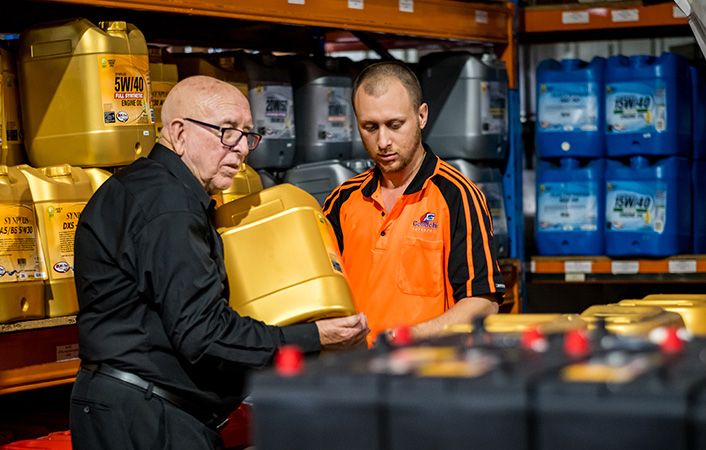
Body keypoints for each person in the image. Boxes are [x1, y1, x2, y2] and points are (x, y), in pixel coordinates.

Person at [70, 75, 369, 450]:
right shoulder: (170, 207)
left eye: (247, 134)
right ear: (178, 133)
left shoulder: (146, 188)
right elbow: (203, 333)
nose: (242, 148)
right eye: (227, 132)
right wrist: (316, 338)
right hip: (149, 419)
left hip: (134, 409)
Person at [322, 61, 504, 345]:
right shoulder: (342, 201)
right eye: (370, 127)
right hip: (354, 376)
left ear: (421, 116)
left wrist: (409, 337)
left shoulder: (457, 196)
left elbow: (483, 302)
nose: (383, 141)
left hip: (425, 375)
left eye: (395, 125)